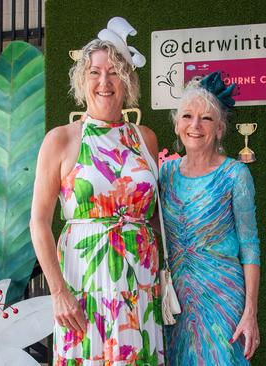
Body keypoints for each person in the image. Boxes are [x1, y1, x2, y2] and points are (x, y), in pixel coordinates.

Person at [30, 22, 164, 364]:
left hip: (139, 285)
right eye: (94, 72)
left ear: (128, 82)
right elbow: (39, 222)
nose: (104, 82)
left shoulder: (144, 138)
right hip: (82, 287)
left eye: (115, 73)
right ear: (82, 79)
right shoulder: (61, 140)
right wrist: (58, 292)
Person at [161, 72, 261, 365]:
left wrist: (250, 312)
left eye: (205, 119)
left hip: (222, 297)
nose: (195, 125)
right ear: (177, 124)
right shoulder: (165, 174)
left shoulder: (235, 175)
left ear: (219, 129)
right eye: (187, 116)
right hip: (175, 300)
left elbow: (250, 244)